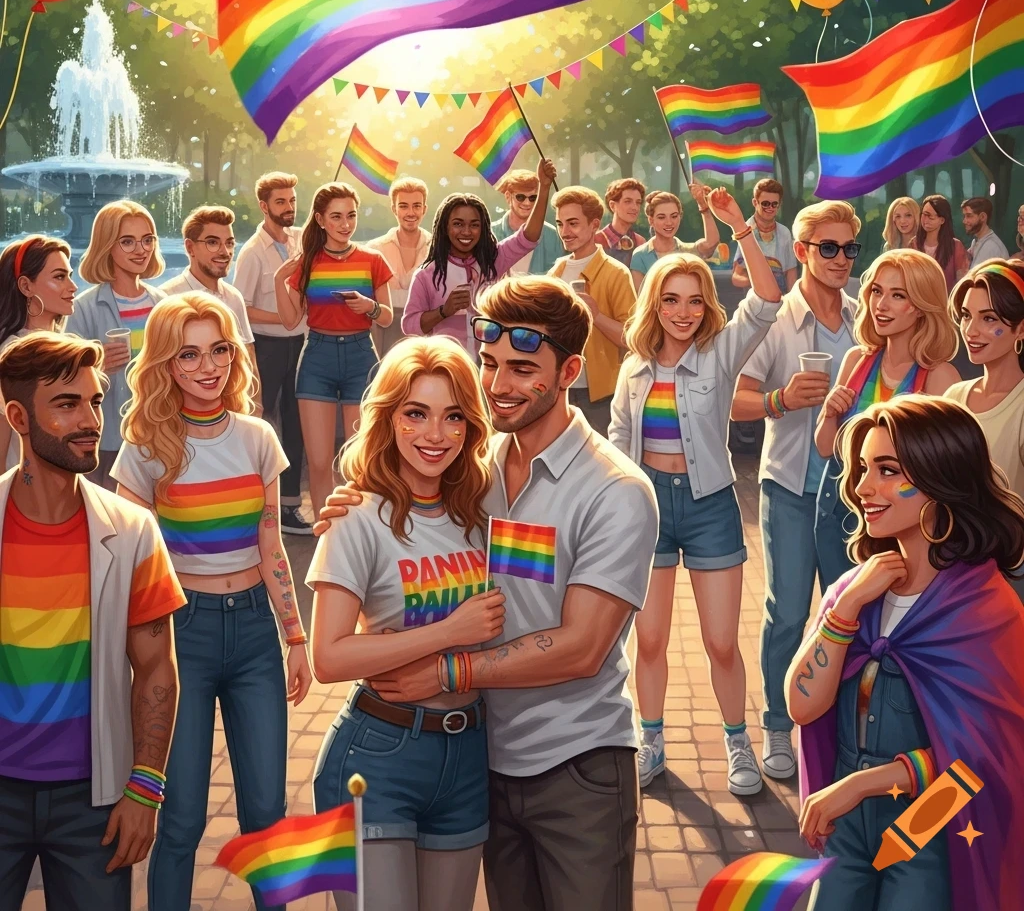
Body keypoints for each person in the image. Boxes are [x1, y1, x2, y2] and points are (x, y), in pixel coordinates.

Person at [315, 276, 660, 911]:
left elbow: (582, 648)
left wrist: (446, 667)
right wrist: (360, 496)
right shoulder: (473, 471)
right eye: (491, 363)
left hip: (577, 763)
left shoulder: (616, 489)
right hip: (481, 760)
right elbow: (405, 499)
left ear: (570, 371)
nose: (498, 384)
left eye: (523, 368)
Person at [110, 294, 313, 911]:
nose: (209, 366)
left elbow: (271, 543)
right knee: (182, 821)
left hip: (255, 633)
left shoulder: (257, 437)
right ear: (166, 364)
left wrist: (296, 637)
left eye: (220, 349)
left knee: (266, 818)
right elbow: (132, 564)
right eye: (190, 354)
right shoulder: (146, 446)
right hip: (182, 637)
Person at [791, 396, 1024, 911]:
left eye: (887, 470)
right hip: (848, 822)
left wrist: (862, 784)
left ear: (940, 478)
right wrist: (845, 606)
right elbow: (802, 706)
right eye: (862, 469)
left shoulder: (988, 609)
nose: (861, 487)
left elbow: (988, 755)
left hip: (935, 820)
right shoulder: (855, 591)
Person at [307, 336, 506, 911]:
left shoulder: (482, 512)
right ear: (388, 418)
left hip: (469, 752)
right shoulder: (358, 517)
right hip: (378, 753)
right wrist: (449, 633)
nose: (434, 435)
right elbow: (330, 659)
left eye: (452, 417)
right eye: (415, 414)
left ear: (471, 426)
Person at [0, 333, 185, 910]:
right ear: (17, 417)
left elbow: (157, 670)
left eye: (95, 401)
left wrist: (146, 791)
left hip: (95, 804)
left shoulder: (132, 531)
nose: (89, 421)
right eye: (66, 404)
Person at [609, 185, 782, 795]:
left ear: (706, 303)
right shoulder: (633, 370)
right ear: (654, 304)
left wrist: (737, 226)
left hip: (710, 507)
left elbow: (765, 300)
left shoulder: (718, 352)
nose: (683, 311)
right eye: (670, 300)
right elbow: (615, 445)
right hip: (648, 508)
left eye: (693, 299)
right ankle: (649, 739)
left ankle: (738, 743)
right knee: (648, 639)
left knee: (719, 642)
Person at [732, 200, 862, 780]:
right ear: (802, 251)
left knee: (848, 614)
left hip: (855, 497)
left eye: (849, 249)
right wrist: (782, 401)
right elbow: (731, 397)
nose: (840, 259)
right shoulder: (774, 318)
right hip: (789, 486)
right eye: (828, 248)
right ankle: (778, 727)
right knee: (788, 614)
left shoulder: (866, 317)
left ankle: (837, 728)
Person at [813, 251, 960, 585]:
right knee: (842, 615)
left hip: (904, 527)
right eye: (877, 291)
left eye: (898, 295)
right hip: (840, 513)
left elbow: (946, 475)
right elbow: (825, 448)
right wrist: (828, 412)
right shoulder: (855, 360)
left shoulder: (940, 378)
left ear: (923, 305)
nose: (881, 304)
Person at [274, 181, 393, 521]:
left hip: (361, 357)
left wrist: (368, 307)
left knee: (357, 458)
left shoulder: (372, 259)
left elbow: (386, 317)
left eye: (351, 216)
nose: (345, 224)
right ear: (321, 220)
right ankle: (327, 533)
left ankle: (357, 530)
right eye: (337, 217)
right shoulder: (307, 262)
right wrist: (278, 282)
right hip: (317, 358)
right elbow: (290, 320)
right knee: (320, 461)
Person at [402, 159, 555, 356]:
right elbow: (409, 326)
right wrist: (444, 311)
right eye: (458, 224)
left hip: (490, 366)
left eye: (474, 225)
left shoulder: (493, 261)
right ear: (445, 228)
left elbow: (528, 237)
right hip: (449, 366)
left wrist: (543, 188)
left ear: (483, 229)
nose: (466, 232)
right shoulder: (427, 274)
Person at [67, 201, 167, 490]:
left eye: (147, 240)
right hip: (107, 438)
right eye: (128, 241)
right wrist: (96, 368)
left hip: (158, 434)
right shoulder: (82, 309)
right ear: (106, 245)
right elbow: (65, 381)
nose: (141, 249)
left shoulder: (162, 304)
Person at [233, 172, 310, 535]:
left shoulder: (300, 241)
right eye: (281, 202)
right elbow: (240, 307)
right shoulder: (250, 253)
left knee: (297, 425)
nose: (289, 208)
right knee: (261, 425)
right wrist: (284, 317)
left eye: (292, 201)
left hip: (301, 345)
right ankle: (254, 505)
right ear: (264, 207)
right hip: (266, 347)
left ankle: (291, 506)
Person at [551, 186, 637, 436]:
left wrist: (596, 316)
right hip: (559, 389)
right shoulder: (554, 273)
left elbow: (631, 338)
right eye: (560, 224)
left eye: (573, 223)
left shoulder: (616, 273)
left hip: (600, 396)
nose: (565, 232)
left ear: (594, 225)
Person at [162, 205, 261, 412]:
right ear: (190, 248)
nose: (225, 252)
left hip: (233, 414)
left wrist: (255, 408)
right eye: (213, 243)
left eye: (229, 243)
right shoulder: (167, 298)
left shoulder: (234, 297)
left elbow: (248, 358)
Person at [946, 259, 1024, 505]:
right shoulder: (952, 398)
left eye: (988, 319)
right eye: (966, 316)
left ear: (1021, 329)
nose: (970, 330)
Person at [0, 236, 77, 473]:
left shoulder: (67, 346)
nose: (73, 287)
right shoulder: (14, 357)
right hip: (27, 494)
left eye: (70, 276)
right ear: (26, 286)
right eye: (59, 277)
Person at [365, 176, 432, 356]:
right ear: (394, 209)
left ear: (424, 209)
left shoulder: (437, 248)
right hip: (382, 330)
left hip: (422, 330)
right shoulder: (374, 249)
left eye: (416, 206)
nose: (411, 212)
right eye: (404, 206)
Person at [629, 182, 722, 291]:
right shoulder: (641, 255)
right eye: (661, 217)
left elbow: (711, 242)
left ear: (680, 217)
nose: (669, 222)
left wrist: (703, 207)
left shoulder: (688, 251)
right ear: (651, 220)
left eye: (674, 216)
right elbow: (640, 298)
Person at [731, 177, 797, 295]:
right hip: (755, 304)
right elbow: (736, 277)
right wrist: (760, 282)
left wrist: (791, 303)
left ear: (779, 205)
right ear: (755, 203)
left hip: (781, 302)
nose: (770, 208)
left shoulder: (784, 233)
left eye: (774, 204)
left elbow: (790, 272)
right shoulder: (745, 230)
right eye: (765, 204)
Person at [492, 168, 564, 276]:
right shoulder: (490, 232)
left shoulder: (551, 234)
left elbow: (557, 276)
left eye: (533, 198)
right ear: (508, 197)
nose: (527, 203)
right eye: (520, 197)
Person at [912, 195, 968, 293]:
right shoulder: (913, 244)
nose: (925, 220)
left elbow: (962, 282)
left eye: (930, 216)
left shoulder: (955, 246)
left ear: (942, 220)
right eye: (923, 215)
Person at [595, 177, 647, 265]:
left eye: (638, 202)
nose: (634, 207)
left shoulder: (640, 242)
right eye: (627, 201)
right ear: (612, 206)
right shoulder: (595, 241)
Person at [961, 196, 1009, 268]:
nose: (964, 221)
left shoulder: (991, 246)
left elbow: (975, 277)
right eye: (964, 216)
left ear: (983, 217)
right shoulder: (977, 241)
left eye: (969, 216)